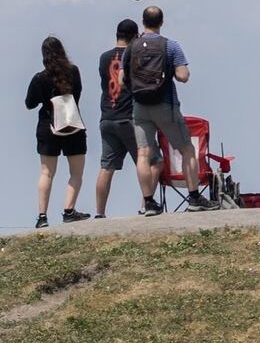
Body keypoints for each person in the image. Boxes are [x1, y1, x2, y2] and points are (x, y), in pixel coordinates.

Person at [122, 6, 217, 215]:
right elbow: (183, 76)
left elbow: (122, 79)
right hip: (165, 105)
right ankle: (194, 197)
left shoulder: (131, 48)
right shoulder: (170, 46)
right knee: (186, 149)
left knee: (143, 153)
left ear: (143, 22)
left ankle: (149, 202)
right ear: (161, 22)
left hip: (140, 107)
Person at [95, 19, 163, 218]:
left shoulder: (103, 58)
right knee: (154, 161)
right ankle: (146, 204)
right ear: (135, 37)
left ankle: (99, 213)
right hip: (130, 118)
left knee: (107, 167)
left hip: (107, 117)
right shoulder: (135, 56)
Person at [25, 37, 90, 228]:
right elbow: (77, 94)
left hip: (48, 127)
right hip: (72, 125)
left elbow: (29, 103)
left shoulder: (40, 78)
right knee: (76, 172)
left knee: (46, 173)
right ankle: (69, 211)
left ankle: (42, 217)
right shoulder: (74, 72)